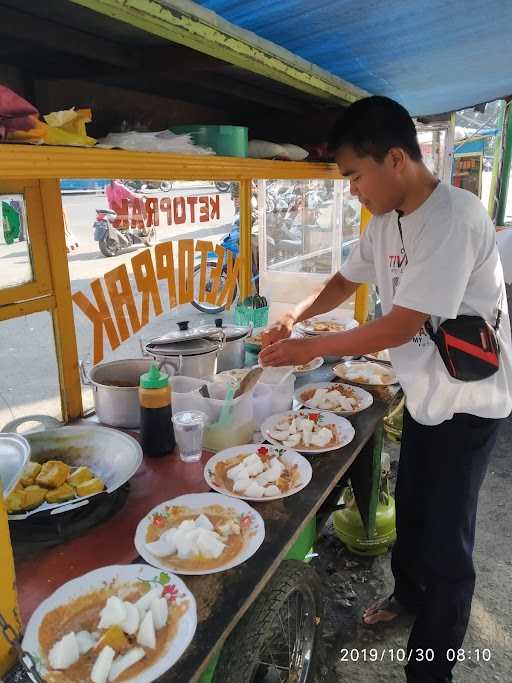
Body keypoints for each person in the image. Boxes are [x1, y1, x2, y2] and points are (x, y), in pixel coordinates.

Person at [259, 96, 512, 682]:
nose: (352, 191)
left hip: (469, 404)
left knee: (448, 542)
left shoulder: (455, 216)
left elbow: (400, 323)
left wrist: (312, 348)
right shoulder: (385, 220)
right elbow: (345, 280)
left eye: (354, 175)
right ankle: (407, 595)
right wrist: (296, 316)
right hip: (426, 396)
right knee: (416, 510)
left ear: (394, 158)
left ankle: (431, 669)